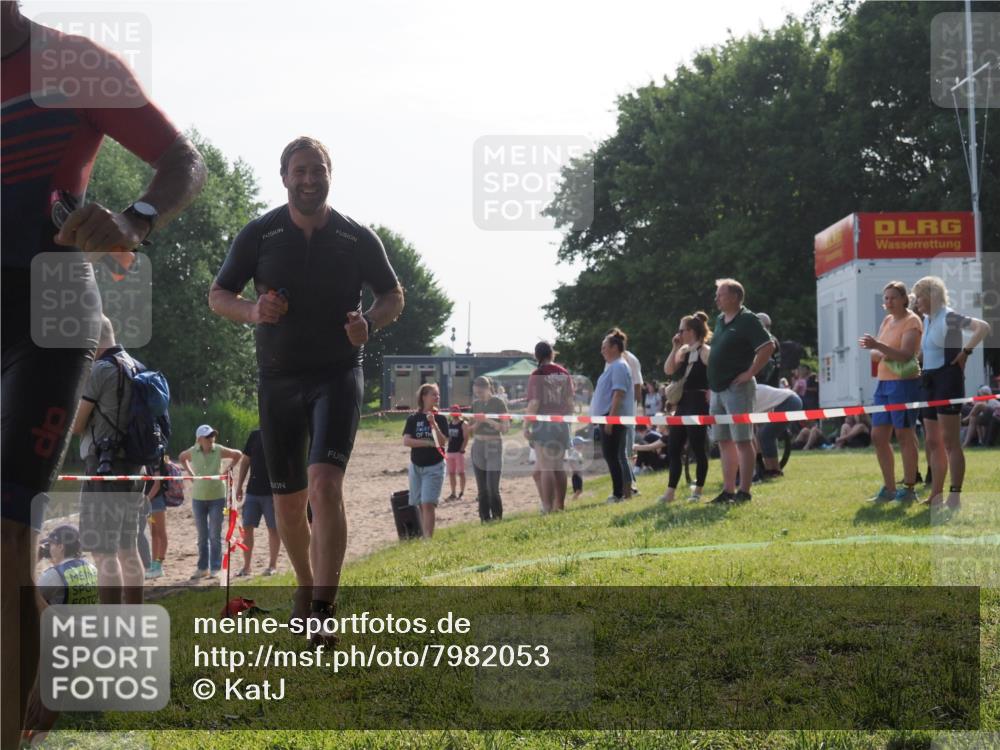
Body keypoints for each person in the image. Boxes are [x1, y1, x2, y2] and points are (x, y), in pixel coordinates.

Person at [1, 3, 206, 742]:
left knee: (6, 526)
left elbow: (184, 160)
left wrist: (137, 219)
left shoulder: (70, 63)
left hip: (50, 308)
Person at [209, 136, 404, 636]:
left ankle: (322, 610)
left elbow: (392, 294)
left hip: (337, 374)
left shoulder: (357, 238)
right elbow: (218, 295)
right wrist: (253, 310)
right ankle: (303, 583)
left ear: (330, 174)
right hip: (278, 381)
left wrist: (371, 324)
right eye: (300, 171)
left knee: (324, 485)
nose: (309, 179)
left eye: (317, 170)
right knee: (288, 502)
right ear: (284, 177)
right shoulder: (260, 234)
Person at [69, 316, 146, 604]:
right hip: (134, 469)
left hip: (104, 467)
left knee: (103, 552)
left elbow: (76, 426)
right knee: (129, 548)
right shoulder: (137, 366)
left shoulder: (101, 370)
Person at [912, 276, 992, 509]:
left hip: (948, 382)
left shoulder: (949, 316)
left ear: (932, 296)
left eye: (920, 297)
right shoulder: (927, 320)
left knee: (950, 442)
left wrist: (966, 352)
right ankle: (935, 495)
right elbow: (927, 352)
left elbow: (983, 327)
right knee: (932, 441)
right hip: (929, 383)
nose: (917, 303)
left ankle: (954, 497)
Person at [706, 278, 776, 504]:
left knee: (743, 440)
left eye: (721, 295)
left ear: (735, 297)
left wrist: (750, 373)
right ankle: (728, 490)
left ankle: (744, 491)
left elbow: (767, 347)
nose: (716, 298)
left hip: (738, 389)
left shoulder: (748, 319)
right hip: (718, 390)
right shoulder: (719, 320)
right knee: (724, 441)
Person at [859, 281, 923, 503]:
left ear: (905, 299)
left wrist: (879, 347)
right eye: (885, 298)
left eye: (893, 297)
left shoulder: (912, 321)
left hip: (904, 384)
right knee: (878, 436)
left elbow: (905, 355)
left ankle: (909, 487)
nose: (888, 302)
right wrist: (878, 349)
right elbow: (875, 355)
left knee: (904, 435)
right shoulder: (887, 320)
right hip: (883, 383)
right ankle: (889, 488)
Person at [178, 426, 242, 581]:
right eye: (208, 437)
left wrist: (227, 470)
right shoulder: (193, 451)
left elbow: (238, 454)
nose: (211, 439)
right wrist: (191, 474)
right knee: (202, 535)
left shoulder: (218, 449)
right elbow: (181, 457)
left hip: (217, 497)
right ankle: (202, 568)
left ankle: (215, 568)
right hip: (198, 497)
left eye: (212, 436)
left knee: (214, 534)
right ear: (199, 439)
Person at [661, 313, 712, 502]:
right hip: (682, 404)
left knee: (698, 449)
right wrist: (674, 347)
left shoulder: (706, 351)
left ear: (691, 331)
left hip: (698, 403)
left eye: (681, 330)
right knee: (673, 447)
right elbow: (668, 370)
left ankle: (698, 491)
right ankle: (670, 492)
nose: (678, 333)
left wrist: (711, 391)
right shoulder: (682, 350)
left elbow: (714, 372)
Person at [525, 341, 575, 513]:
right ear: (552, 353)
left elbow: (534, 402)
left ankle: (547, 507)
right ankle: (559, 505)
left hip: (544, 424)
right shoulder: (564, 373)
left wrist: (526, 425)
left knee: (546, 467)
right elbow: (570, 402)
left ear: (537, 356)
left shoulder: (537, 373)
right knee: (558, 467)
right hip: (562, 423)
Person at [592, 332, 634, 503]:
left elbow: (619, 393)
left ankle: (618, 494)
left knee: (612, 456)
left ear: (615, 348)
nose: (602, 351)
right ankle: (624, 491)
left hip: (613, 418)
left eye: (604, 347)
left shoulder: (618, 366)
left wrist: (611, 418)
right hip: (609, 418)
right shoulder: (615, 366)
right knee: (615, 455)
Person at [402, 384, 449, 537]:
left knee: (428, 503)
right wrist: (428, 443)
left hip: (434, 466)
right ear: (424, 397)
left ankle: (428, 539)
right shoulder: (413, 418)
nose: (437, 397)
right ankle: (424, 535)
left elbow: (442, 442)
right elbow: (407, 441)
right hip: (416, 467)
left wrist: (433, 424)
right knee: (420, 504)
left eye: (438, 394)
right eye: (433, 394)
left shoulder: (441, 418)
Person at [234, 429, 282, 577]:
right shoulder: (255, 435)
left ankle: (272, 565)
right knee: (247, 528)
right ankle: (247, 567)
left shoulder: (279, 435)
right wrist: (240, 485)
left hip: (272, 492)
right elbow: (245, 461)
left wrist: (281, 491)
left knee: (273, 528)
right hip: (252, 491)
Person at [607, 328, 643, 494]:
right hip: (613, 411)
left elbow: (637, 386)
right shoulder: (610, 361)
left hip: (625, 412)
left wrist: (634, 410)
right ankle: (623, 485)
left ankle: (630, 486)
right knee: (618, 452)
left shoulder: (630, 360)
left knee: (626, 450)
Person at [470, 376, 509, 522]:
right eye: (476, 393)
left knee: (492, 487)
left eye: (480, 392)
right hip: (478, 446)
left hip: (494, 446)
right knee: (482, 489)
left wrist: (487, 420)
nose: (478, 396)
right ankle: (484, 518)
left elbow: (505, 428)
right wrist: (477, 424)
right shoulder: (475, 404)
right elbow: (470, 429)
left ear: (488, 389)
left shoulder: (498, 403)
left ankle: (497, 517)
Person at [36, 526, 98, 606]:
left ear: (60, 547)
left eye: (51, 544)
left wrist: (33, 561)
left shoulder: (54, 575)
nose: (49, 549)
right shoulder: (92, 568)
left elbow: (30, 599)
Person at [753, 382, 803, 479]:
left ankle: (774, 470)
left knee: (766, 435)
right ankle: (770, 469)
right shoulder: (750, 391)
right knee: (764, 434)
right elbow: (756, 428)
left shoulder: (747, 396)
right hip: (791, 399)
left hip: (790, 401)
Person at [141, 454, 174, 580]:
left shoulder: (156, 459)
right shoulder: (145, 457)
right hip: (149, 502)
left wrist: (146, 499)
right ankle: (153, 564)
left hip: (156, 501)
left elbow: (157, 484)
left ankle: (159, 565)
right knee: (153, 533)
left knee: (160, 533)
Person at [444, 407, 469, 501]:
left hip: (459, 452)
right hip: (450, 452)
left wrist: (462, 449)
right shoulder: (449, 424)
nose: (454, 413)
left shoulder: (463, 424)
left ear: (459, 412)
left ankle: (462, 492)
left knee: (461, 473)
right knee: (451, 473)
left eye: (455, 411)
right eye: (452, 411)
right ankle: (453, 493)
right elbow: (447, 437)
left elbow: (466, 437)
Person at [755, 312, 782, 387]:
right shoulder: (773, 340)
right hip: (771, 385)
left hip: (764, 386)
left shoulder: (766, 341)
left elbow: (766, 366)